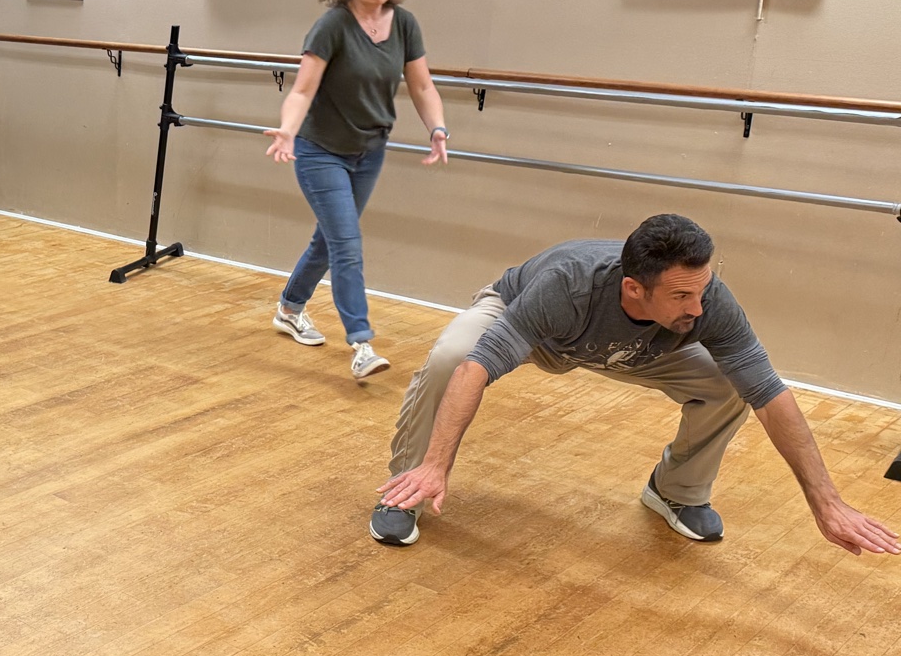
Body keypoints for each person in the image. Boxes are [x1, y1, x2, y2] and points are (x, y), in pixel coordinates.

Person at [370, 214, 901, 554]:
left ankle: (676, 492)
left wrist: (826, 502)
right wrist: (439, 464)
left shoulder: (703, 302)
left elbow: (770, 393)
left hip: (635, 347)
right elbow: (476, 369)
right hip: (538, 328)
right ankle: (406, 490)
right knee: (452, 354)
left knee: (729, 384)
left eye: (702, 291)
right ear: (633, 287)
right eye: (680, 296)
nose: (697, 308)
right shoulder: (567, 285)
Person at [267, 0, 449, 380]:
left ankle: (290, 308)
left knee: (329, 240)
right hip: (319, 150)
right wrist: (287, 132)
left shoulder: (403, 24)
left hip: (369, 150)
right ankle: (362, 343)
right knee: (347, 245)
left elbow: (422, 86)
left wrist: (437, 128)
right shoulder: (332, 26)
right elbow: (303, 88)